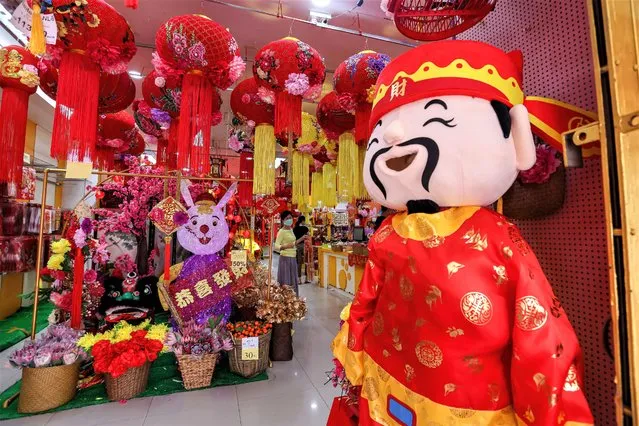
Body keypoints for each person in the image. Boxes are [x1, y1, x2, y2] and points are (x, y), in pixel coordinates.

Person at [331, 40, 595, 425]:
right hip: (383, 383)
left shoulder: (495, 238)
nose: (392, 139)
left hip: (469, 407)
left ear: (518, 138)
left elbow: (539, 333)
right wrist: (353, 351)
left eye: (437, 119)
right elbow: (367, 297)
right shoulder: (388, 233)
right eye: (378, 136)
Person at [273, 211, 305, 295]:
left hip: (293, 258)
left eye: (290, 218)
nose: (289, 220)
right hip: (285, 258)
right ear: (283, 220)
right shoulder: (281, 231)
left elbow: (293, 242)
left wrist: (297, 242)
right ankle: (286, 301)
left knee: (292, 280)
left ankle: (294, 301)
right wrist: (286, 246)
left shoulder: (291, 229)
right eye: (287, 218)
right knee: (286, 281)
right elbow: (276, 246)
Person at [293, 215, 309, 283]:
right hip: (304, 246)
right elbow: (308, 236)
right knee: (306, 262)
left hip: (297, 246)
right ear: (303, 221)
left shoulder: (295, 228)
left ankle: (299, 279)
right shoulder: (305, 228)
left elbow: (293, 238)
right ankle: (306, 279)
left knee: (298, 263)